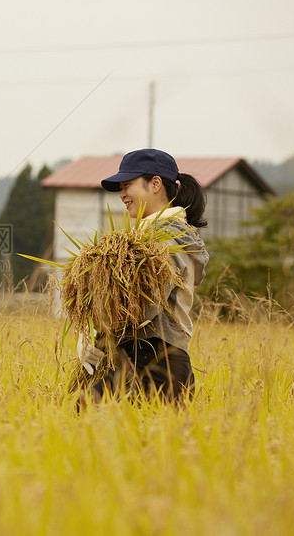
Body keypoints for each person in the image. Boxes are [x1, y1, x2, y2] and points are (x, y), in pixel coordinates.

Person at [78, 148, 209, 410]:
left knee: (89, 413)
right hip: (150, 360)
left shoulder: (167, 239)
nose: (122, 194)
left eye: (128, 185)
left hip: (155, 360)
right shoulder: (156, 237)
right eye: (120, 187)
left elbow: (147, 304)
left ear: (156, 183)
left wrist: (100, 323)